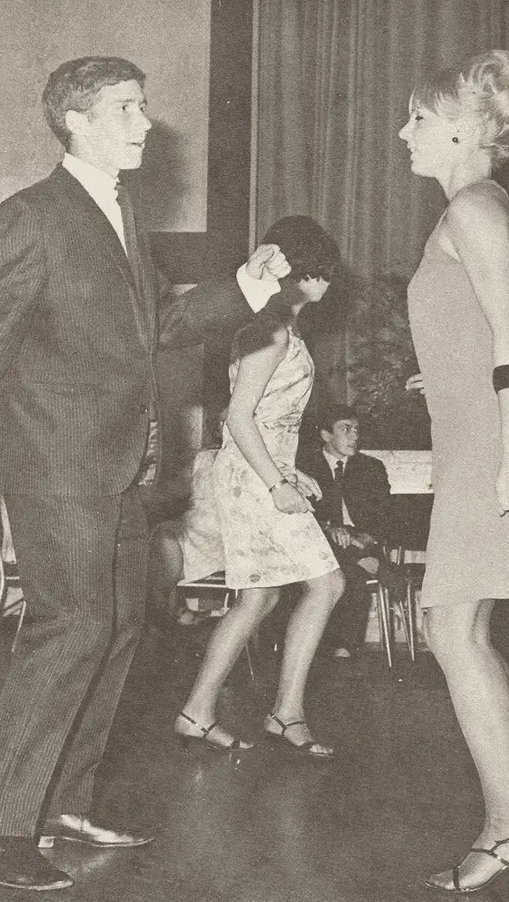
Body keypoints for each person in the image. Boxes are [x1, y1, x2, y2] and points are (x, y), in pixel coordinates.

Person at [0, 56, 290, 892]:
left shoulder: (120, 212)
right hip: (56, 463)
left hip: (119, 463)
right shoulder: (30, 216)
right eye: (126, 108)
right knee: (71, 625)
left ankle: (61, 804)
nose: (145, 122)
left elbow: (163, 327)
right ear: (75, 120)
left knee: (115, 627)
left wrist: (245, 289)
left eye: (142, 106)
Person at [400, 50, 509, 893]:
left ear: (464, 129)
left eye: (418, 119)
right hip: (485, 430)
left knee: (450, 626)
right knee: (461, 627)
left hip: (497, 443)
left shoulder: (471, 205)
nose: (402, 133)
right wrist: (439, 372)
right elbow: (487, 331)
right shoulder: (487, 205)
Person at [175, 215, 345, 760]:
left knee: (260, 597)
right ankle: (284, 712)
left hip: (261, 470)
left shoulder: (283, 331)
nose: (324, 282)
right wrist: (276, 483)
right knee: (326, 584)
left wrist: (291, 472)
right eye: (315, 271)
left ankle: (198, 712)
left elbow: (272, 420)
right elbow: (238, 417)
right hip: (251, 477)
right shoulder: (266, 332)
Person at [298, 404, 405, 659]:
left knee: (347, 570)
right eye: (346, 429)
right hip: (320, 545)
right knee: (349, 568)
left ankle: (339, 649)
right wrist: (328, 529)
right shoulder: (304, 467)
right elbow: (299, 514)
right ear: (326, 435)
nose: (354, 436)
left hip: (362, 541)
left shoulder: (371, 467)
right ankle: (343, 648)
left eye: (356, 430)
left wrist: (368, 536)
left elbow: (386, 514)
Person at [147, 409, 227, 627]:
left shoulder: (249, 460)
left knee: (166, 540)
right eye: (221, 423)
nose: (225, 428)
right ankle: (166, 614)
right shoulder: (203, 457)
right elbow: (176, 491)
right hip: (194, 526)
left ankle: (165, 618)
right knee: (164, 536)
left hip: (225, 533)